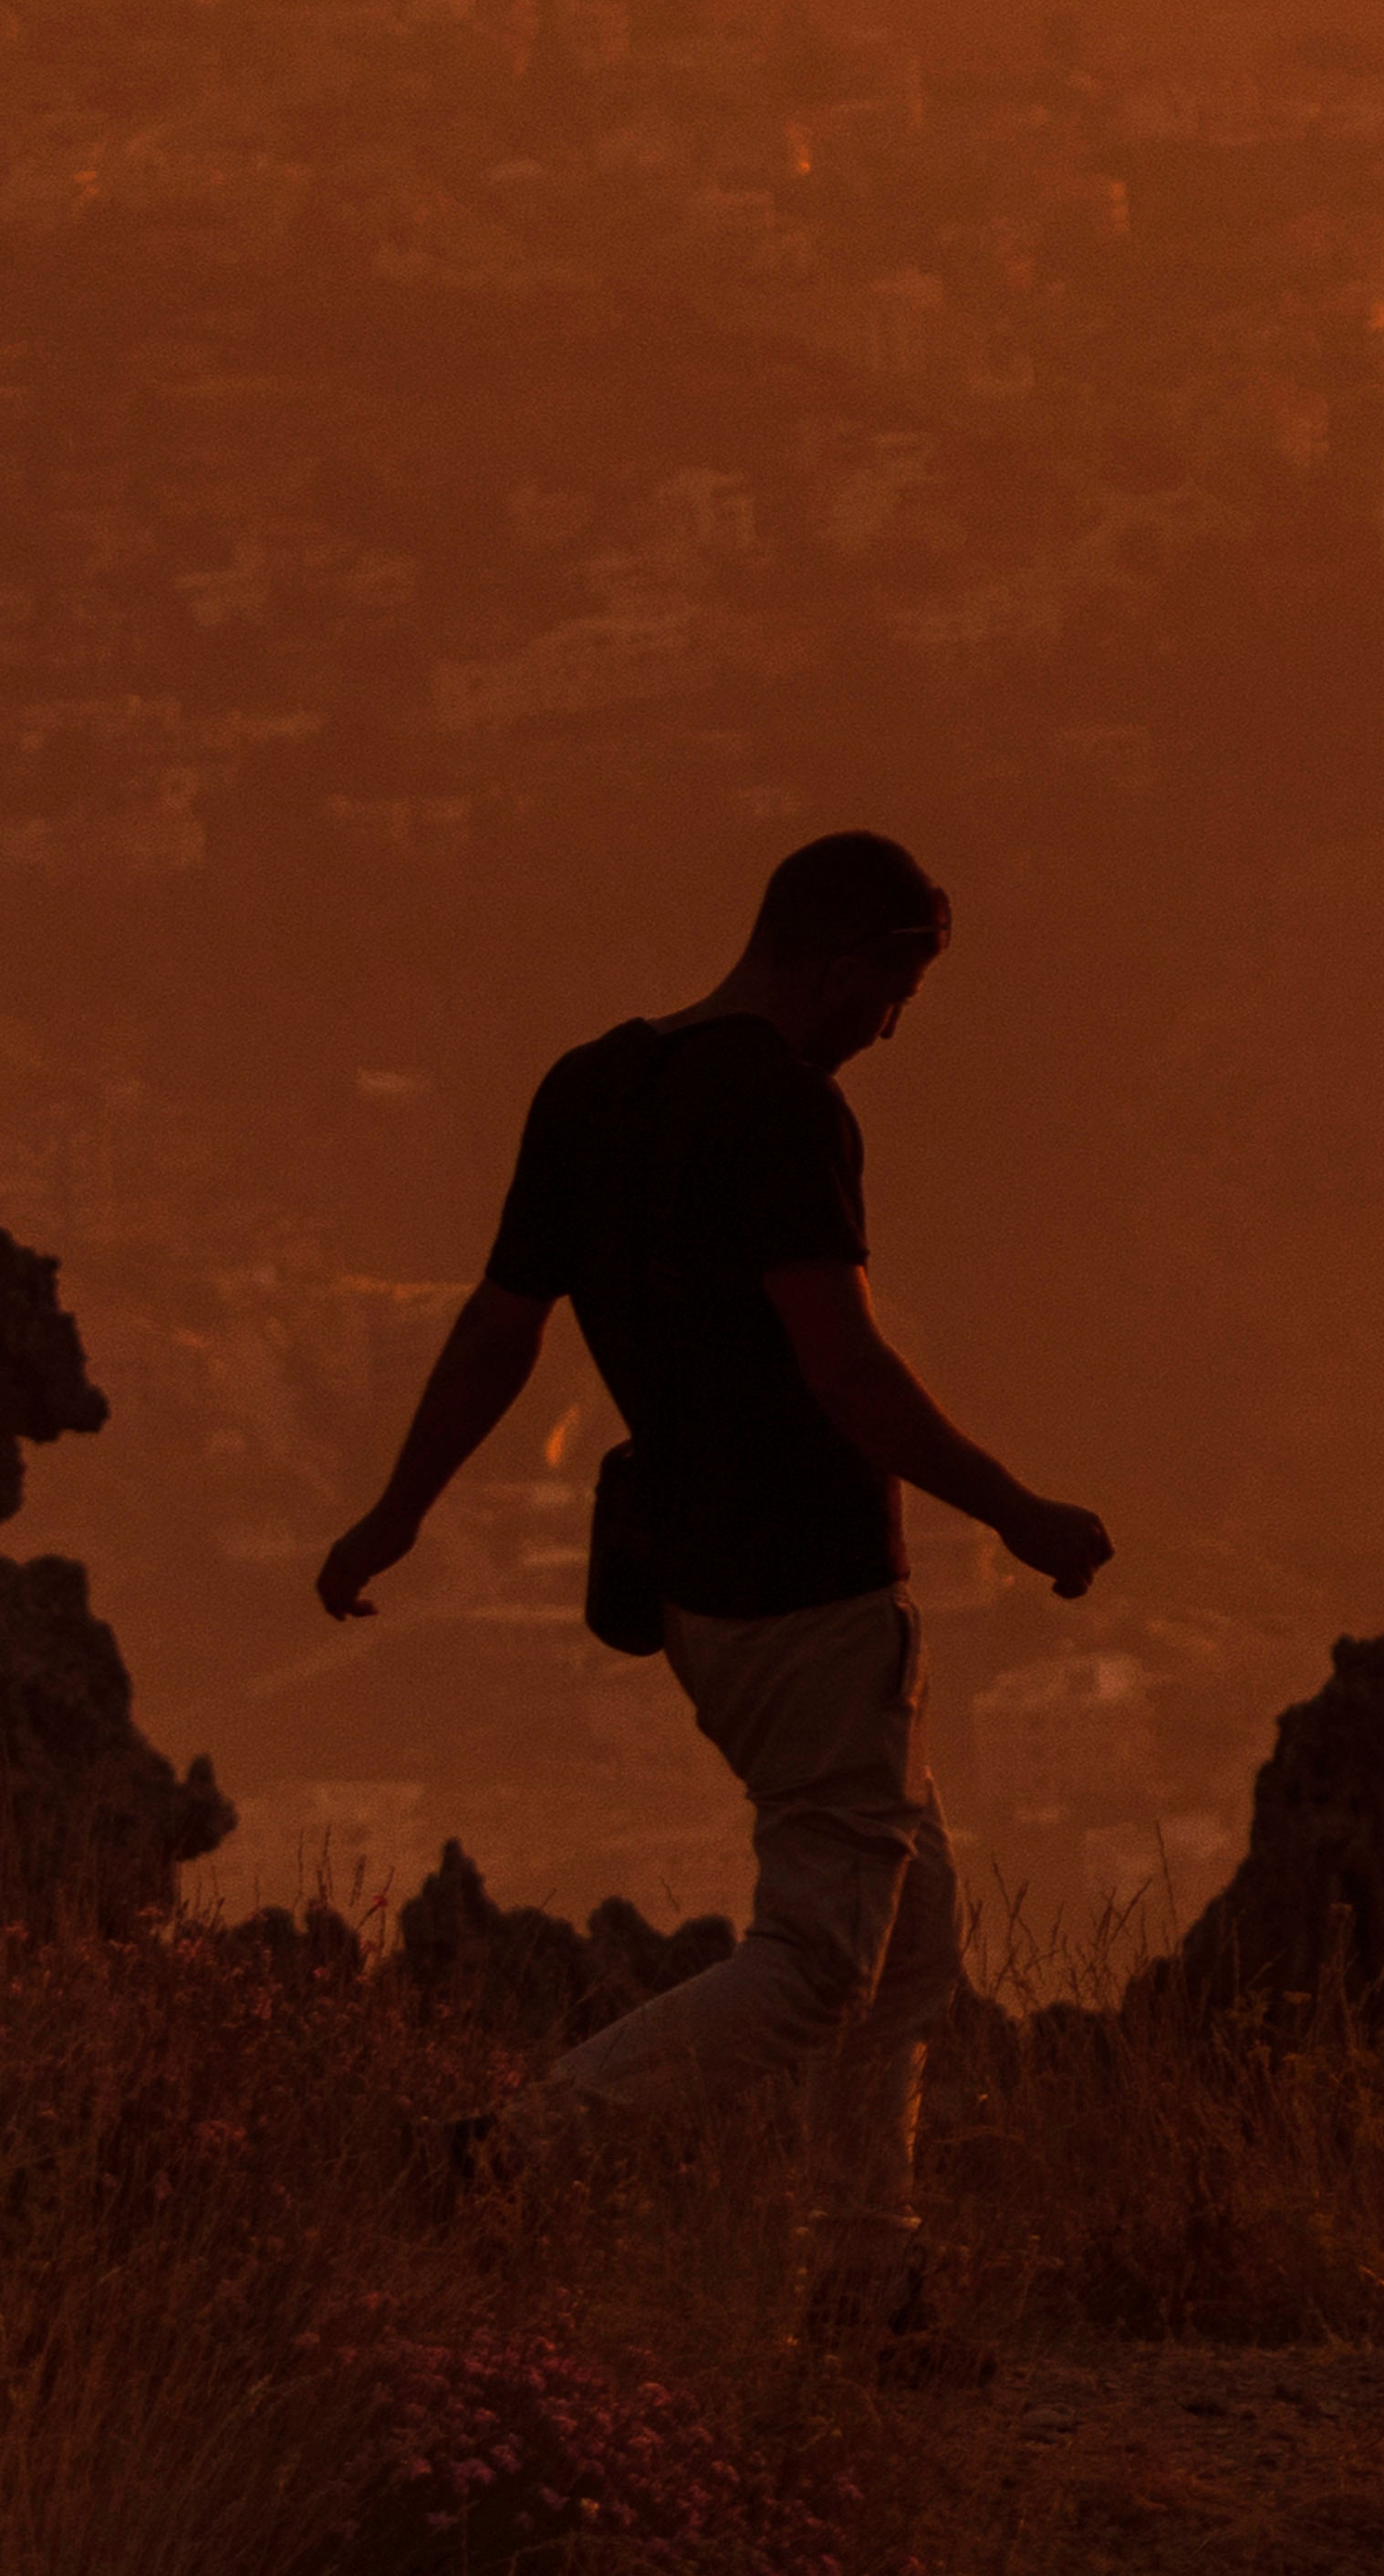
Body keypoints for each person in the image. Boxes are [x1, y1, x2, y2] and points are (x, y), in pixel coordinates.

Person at [316, 832, 1114, 2319]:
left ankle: (867, 2278)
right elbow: (845, 1369)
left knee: (910, 1935)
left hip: (689, 1585)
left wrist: (396, 1515)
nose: (894, 1028)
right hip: (815, 1588)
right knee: (819, 1960)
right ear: (841, 963)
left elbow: (499, 1333)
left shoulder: (591, 1088)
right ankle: (509, 2155)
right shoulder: (787, 1111)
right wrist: (1022, 1515)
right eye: (896, 991)